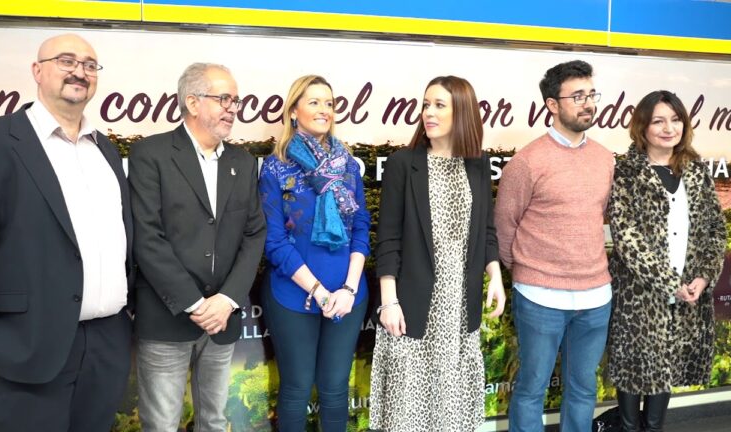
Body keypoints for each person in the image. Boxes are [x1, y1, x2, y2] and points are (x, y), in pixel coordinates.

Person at [0, 34, 133, 432]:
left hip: (105, 343)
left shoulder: (105, 149)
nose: (80, 71)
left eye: (90, 65)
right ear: (37, 71)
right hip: (26, 346)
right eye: (66, 60)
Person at [128, 63, 266, 432]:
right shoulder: (151, 155)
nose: (232, 108)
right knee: (161, 424)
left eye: (235, 100)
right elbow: (147, 237)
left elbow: (254, 235)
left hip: (223, 318)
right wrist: (195, 304)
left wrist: (226, 300)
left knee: (215, 421)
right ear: (192, 102)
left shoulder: (243, 161)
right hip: (166, 316)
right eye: (223, 98)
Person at [369, 75, 506, 431]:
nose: (428, 112)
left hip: (459, 310)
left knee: (452, 411)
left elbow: (487, 231)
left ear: (461, 112)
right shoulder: (404, 164)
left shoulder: (477, 165)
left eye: (439, 105)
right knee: (407, 412)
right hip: (412, 305)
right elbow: (388, 239)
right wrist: (389, 302)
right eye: (426, 104)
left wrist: (495, 277)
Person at [494, 60, 614, 432]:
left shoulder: (605, 158)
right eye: (577, 96)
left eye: (591, 94)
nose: (588, 103)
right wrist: (528, 270)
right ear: (552, 105)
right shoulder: (527, 162)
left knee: (582, 388)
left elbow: (600, 217)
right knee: (531, 388)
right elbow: (504, 225)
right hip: (540, 296)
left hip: (596, 297)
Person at [607, 90, 726, 432]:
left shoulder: (696, 170)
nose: (668, 128)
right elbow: (628, 239)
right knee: (634, 369)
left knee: (666, 371)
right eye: (658, 120)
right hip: (639, 295)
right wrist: (668, 282)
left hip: (687, 292)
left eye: (675, 120)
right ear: (642, 127)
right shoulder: (626, 172)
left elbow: (713, 230)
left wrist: (702, 277)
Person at [258, 75, 370, 431]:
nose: (324, 110)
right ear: (294, 111)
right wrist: (319, 292)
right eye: (314, 102)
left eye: (329, 103)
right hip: (294, 295)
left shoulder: (348, 166)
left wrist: (349, 289)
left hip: (348, 296)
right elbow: (274, 242)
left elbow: (361, 229)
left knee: (336, 389)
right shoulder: (275, 169)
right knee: (296, 389)